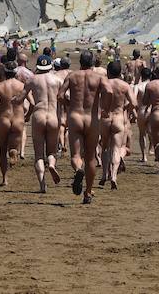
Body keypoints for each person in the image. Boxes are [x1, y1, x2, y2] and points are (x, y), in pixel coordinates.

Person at [57, 50, 106, 203]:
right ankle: (89, 192)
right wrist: (105, 108)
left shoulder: (72, 76)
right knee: (91, 157)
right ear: (92, 63)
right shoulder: (99, 77)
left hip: (75, 116)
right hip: (91, 118)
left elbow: (60, 95)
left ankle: (78, 170)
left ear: (80, 62)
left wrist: (69, 104)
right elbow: (109, 91)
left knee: (76, 155)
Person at [23, 55, 64, 192]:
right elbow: (66, 97)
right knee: (51, 151)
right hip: (53, 116)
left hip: (38, 115)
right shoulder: (58, 80)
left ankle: (42, 184)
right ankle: (52, 164)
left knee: (39, 154)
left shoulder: (32, 79)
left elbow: (20, 98)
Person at [98, 60, 135, 189]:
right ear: (120, 72)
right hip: (119, 118)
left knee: (105, 147)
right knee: (116, 149)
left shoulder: (104, 83)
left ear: (108, 71)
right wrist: (126, 109)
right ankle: (113, 176)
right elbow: (134, 103)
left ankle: (104, 175)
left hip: (105, 118)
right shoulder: (124, 85)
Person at [0, 61, 27, 187]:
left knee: (2, 149)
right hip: (18, 119)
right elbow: (33, 103)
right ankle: (14, 151)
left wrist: (0, 101)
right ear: (15, 72)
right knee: (13, 146)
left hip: (4, 119)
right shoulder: (22, 86)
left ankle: (4, 179)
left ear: (4, 72)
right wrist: (28, 115)